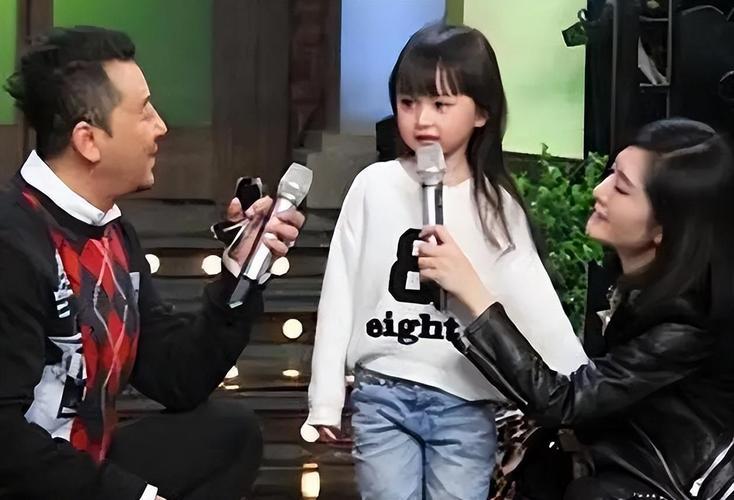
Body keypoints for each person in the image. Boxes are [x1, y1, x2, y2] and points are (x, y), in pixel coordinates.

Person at [0, 26, 304, 500]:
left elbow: (177, 378)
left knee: (229, 434)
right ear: (88, 140)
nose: (161, 126)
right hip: (25, 477)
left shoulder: (113, 232)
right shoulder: (12, 242)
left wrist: (240, 274)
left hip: (84, 467)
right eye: (143, 111)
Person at [305, 22, 588, 500]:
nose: (422, 120)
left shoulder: (496, 206)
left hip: (466, 401)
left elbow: (533, 300)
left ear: (482, 112)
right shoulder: (373, 187)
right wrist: (326, 399)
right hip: (383, 394)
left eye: (441, 104)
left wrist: (583, 394)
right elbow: (340, 293)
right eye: (408, 102)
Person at [419, 118, 734, 499]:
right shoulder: (639, 286)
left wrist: (474, 294)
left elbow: (564, 402)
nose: (600, 191)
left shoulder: (686, 321)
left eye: (621, 187)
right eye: (611, 173)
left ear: (664, 227)